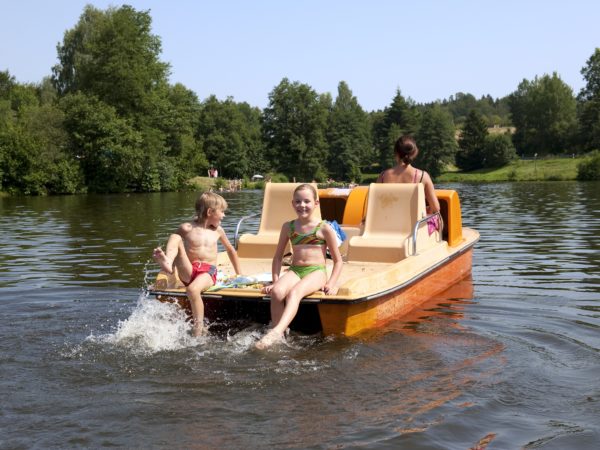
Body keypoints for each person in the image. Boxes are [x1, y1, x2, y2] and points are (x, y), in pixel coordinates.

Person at [255, 184, 343, 349]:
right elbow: (278, 257)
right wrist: (275, 281)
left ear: (316, 203)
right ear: (292, 203)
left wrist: (331, 283)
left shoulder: (324, 228)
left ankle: (275, 332)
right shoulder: (288, 227)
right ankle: (280, 332)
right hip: (295, 270)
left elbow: (338, 261)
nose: (302, 205)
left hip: (316, 272)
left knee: (294, 293)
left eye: (307, 201)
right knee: (277, 292)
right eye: (298, 201)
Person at [153, 192, 242, 336]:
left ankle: (198, 328)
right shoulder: (186, 228)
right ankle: (168, 263)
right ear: (209, 212)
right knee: (175, 237)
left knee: (193, 290)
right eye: (222, 212)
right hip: (189, 269)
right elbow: (176, 246)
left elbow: (231, 251)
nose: (224, 215)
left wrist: (239, 274)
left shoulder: (218, 231)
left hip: (208, 272)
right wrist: (171, 268)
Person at [377, 135, 440, 215]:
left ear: (396, 153)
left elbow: (376, 205)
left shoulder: (383, 176)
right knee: (439, 221)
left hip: (388, 224)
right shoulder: (423, 176)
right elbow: (435, 208)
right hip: (414, 227)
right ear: (415, 153)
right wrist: (427, 209)